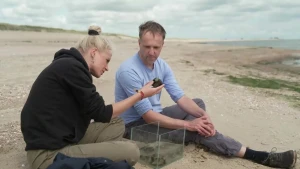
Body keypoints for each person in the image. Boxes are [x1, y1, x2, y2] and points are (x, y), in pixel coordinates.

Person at [114, 20, 297, 169]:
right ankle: (257, 155)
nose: (151, 52)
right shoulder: (128, 71)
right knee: (196, 132)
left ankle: (197, 133)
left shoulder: (162, 66)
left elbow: (180, 97)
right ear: (138, 43)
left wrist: (204, 117)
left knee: (198, 106)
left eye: (156, 47)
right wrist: (189, 125)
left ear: (162, 45)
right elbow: (148, 116)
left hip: (157, 117)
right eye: (147, 46)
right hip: (134, 127)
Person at [20, 25, 164, 169]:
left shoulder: (69, 65)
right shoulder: (72, 68)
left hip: (63, 137)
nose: (107, 67)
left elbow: (100, 112)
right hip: (47, 154)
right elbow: (102, 112)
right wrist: (141, 94)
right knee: (131, 152)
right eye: (107, 60)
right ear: (94, 53)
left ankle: (90, 152)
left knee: (116, 123)